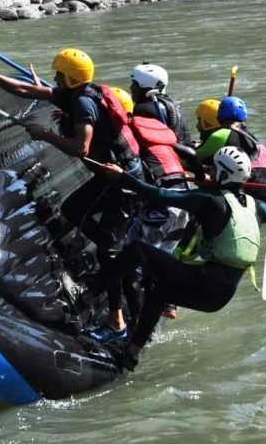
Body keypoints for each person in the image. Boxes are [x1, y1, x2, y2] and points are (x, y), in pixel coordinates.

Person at [0, 49, 144, 339]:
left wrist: (45, 135)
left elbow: (80, 148)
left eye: (59, 75)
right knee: (72, 210)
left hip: (120, 182)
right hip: (106, 178)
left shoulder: (83, 103)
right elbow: (27, 90)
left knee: (109, 252)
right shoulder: (75, 94)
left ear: (71, 79)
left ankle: (117, 321)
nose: (55, 79)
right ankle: (115, 254)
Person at [98, 146, 266, 371]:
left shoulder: (209, 200)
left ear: (222, 173)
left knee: (139, 249)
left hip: (202, 284)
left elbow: (160, 195)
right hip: (220, 298)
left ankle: (93, 292)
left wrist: (123, 177)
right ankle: (132, 353)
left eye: (214, 168)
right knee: (158, 291)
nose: (210, 171)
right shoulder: (256, 207)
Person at [87, 86, 190, 342]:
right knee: (158, 263)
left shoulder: (128, 137)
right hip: (182, 202)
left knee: (131, 263)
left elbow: (137, 178)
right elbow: (185, 154)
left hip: (161, 208)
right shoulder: (151, 130)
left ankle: (126, 327)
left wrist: (120, 176)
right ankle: (162, 309)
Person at [194, 96, 266, 201]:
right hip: (260, 204)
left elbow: (192, 158)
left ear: (218, 118)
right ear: (244, 117)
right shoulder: (260, 145)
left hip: (234, 200)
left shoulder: (222, 134)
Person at [130, 63, 192, 146]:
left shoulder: (143, 109)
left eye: (134, 84)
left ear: (145, 86)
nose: (131, 87)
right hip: (185, 151)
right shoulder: (174, 105)